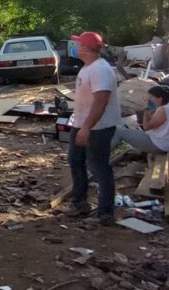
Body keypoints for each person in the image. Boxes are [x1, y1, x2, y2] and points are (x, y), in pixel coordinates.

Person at [66, 31, 122, 225]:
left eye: (78, 44)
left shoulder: (100, 69)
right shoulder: (87, 68)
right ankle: (80, 202)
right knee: (75, 161)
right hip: (82, 125)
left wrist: (87, 127)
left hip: (97, 128)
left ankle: (106, 212)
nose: (74, 46)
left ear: (85, 48)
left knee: (99, 168)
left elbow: (101, 100)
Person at [111, 86, 169, 153]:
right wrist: (150, 113)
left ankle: (102, 154)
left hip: (159, 145)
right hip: (164, 143)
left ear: (160, 98)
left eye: (151, 97)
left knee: (119, 132)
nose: (149, 100)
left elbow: (146, 127)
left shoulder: (163, 110)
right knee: (126, 129)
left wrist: (145, 110)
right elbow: (156, 124)